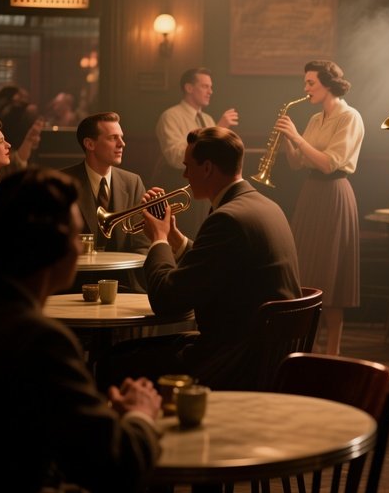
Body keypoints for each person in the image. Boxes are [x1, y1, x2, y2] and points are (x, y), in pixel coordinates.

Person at [0, 168, 212, 493]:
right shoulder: (40, 339)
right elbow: (120, 470)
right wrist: (139, 413)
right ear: (54, 247)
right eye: (75, 234)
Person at [96, 126, 301, 391]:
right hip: (265, 351)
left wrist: (157, 238)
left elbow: (166, 300)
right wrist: (173, 236)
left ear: (206, 169)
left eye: (187, 166)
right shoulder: (265, 206)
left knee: (114, 360)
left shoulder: (227, 219)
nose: (184, 175)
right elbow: (213, 265)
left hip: (234, 359)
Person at [275, 60, 365, 355]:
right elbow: (297, 163)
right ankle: (305, 348)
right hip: (311, 194)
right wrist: (288, 140)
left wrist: (297, 138)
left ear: (327, 84)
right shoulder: (315, 119)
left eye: (311, 83)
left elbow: (329, 163)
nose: (306, 88)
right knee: (307, 273)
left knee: (331, 277)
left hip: (335, 195)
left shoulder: (349, 117)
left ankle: (332, 353)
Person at [62, 112, 150, 292]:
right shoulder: (63, 182)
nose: (122, 144)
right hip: (74, 287)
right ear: (89, 144)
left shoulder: (133, 182)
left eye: (122, 137)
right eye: (113, 138)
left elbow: (141, 244)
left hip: (124, 286)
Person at [154, 67, 239, 238]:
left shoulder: (207, 119)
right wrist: (219, 129)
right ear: (189, 88)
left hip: (205, 189)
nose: (210, 91)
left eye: (211, 87)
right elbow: (175, 157)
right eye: (205, 86)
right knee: (181, 237)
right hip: (178, 186)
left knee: (201, 236)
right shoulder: (170, 116)